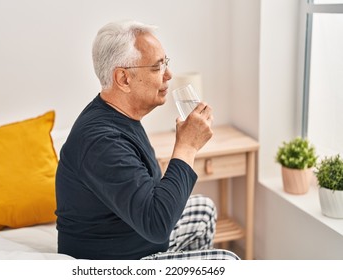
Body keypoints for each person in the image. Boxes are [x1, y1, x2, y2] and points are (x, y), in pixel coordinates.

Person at [55, 20, 239, 260]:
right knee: (229, 261)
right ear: (123, 79)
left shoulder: (121, 115)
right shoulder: (101, 142)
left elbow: (147, 195)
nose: (169, 75)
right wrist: (187, 146)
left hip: (132, 234)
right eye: (157, 67)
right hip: (110, 260)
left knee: (203, 210)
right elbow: (156, 224)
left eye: (165, 63)